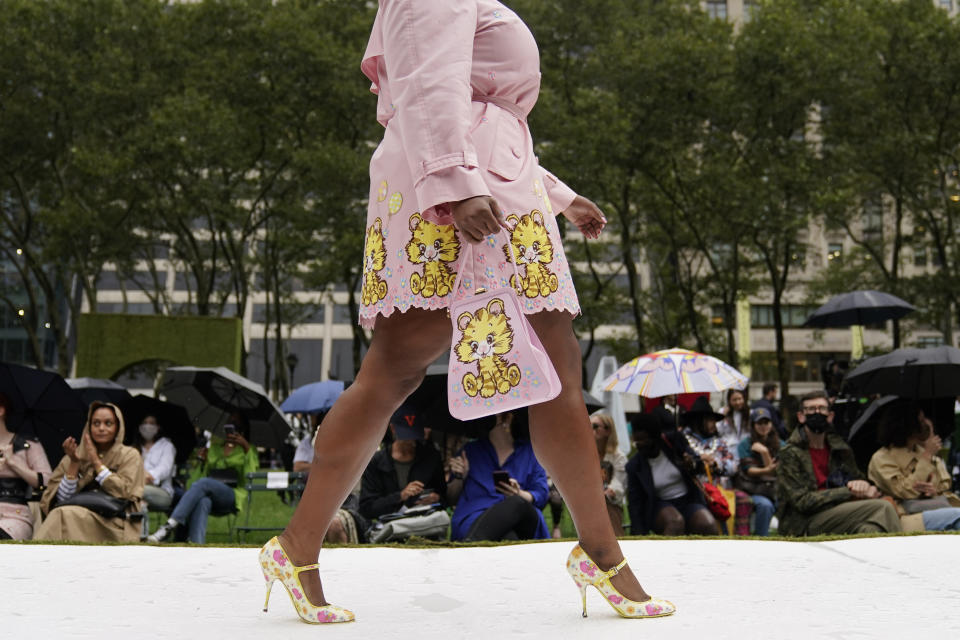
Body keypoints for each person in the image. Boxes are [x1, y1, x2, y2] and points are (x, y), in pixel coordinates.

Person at [262, 1, 674, 624]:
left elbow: (480, 112)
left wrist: (556, 194)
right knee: (394, 374)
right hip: (461, 193)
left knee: (526, 373)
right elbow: (431, 84)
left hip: (492, 186)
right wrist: (458, 184)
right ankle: (297, 547)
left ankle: (599, 550)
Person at [776, 391, 901, 536]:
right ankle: (904, 556)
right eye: (811, 409)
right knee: (884, 507)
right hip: (804, 523)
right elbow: (803, 501)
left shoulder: (839, 448)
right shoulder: (790, 453)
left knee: (870, 529)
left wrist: (863, 486)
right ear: (801, 416)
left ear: (830, 416)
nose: (817, 413)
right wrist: (847, 491)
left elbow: (857, 477)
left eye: (822, 409)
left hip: (841, 513)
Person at [35, 402, 144, 542]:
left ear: (118, 427)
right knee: (61, 513)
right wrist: (74, 462)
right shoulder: (75, 454)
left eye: (108, 423)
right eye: (96, 423)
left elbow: (124, 492)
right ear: (89, 426)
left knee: (63, 514)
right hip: (76, 514)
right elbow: (59, 500)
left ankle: (34, 555)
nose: (101, 428)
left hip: (114, 520)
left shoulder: (129, 455)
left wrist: (96, 462)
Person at [149, 412, 258, 544]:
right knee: (203, 501)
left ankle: (170, 525)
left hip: (232, 495)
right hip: (210, 493)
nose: (232, 426)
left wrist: (246, 447)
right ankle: (197, 544)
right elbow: (196, 481)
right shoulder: (215, 448)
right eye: (230, 422)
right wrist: (202, 463)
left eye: (236, 423)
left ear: (243, 428)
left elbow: (249, 477)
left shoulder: (249, 449)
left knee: (206, 483)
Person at [447, 411, 548, 541]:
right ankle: (472, 545)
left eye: (495, 413)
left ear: (509, 417)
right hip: (476, 517)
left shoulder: (530, 452)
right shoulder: (470, 451)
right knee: (509, 538)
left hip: (521, 518)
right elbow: (451, 498)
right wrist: (460, 476)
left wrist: (518, 493)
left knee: (517, 503)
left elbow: (541, 495)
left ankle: (471, 546)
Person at [867, 402, 960, 531]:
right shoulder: (882, 458)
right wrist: (927, 456)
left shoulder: (922, 451)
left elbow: (944, 484)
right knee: (957, 517)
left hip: (933, 507)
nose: (925, 424)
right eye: (920, 421)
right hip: (903, 515)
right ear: (908, 426)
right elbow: (904, 490)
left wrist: (933, 490)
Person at [626, 413, 718, 536]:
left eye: (644, 440)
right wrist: (638, 535)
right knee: (675, 522)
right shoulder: (634, 466)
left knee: (708, 524)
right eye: (637, 442)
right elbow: (635, 503)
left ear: (655, 437)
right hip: (661, 505)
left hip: (688, 501)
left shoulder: (674, 442)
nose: (640, 445)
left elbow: (698, 465)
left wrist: (691, 463)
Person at [359, 406, 446, 522]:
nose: (411, 440)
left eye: (414, 434)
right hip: (389, 525)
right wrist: (400, 496)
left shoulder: (431, 457)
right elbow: (367, 508)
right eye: (406, 435)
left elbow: (445, 496)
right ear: (393, 429)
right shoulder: (376, 461)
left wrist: (436, 498)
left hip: (424, 522)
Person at [293, 417, 368, 544]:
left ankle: (343, 560)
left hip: (349, 508)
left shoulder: (353, 460)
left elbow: (352, 500)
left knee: (333, 524)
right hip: (320, 509)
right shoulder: (316, 470)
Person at [0, 391, 52, 540]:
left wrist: (14, 464)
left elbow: (48, 481)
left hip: (15, 515)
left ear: (1, 410)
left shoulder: (29, 444)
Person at [736, 407, 784, 536]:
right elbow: (749, 471)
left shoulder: (781, 444)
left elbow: (776, 472)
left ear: (771, 424)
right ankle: (761, 541)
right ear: (753, 425)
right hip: (754, 489)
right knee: (765, 506)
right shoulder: (745, 444)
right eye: (759, 423)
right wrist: (767, 469)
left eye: (766, 423)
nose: (763, 426)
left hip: (777, 490)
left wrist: (765, 452)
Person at [591, 413, 627, 535]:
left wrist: (605, 493)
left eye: (595, 426)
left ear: (608, 431)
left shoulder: (619, 456)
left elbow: (618, 484)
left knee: (605, 505)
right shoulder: (587, 454)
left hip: (610, 503)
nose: (591, 430)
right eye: (589, 426)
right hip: (589, 502)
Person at [135, 415, 177, 512]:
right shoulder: (135, 447)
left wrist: (148, 477)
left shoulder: (167, 446)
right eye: (145, 423)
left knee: (136, 491)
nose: (147, 426)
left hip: (161, 491)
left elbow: (164, 469)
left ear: (158, 427)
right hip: (137, 486)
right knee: (137, 499)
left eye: (151, 423)